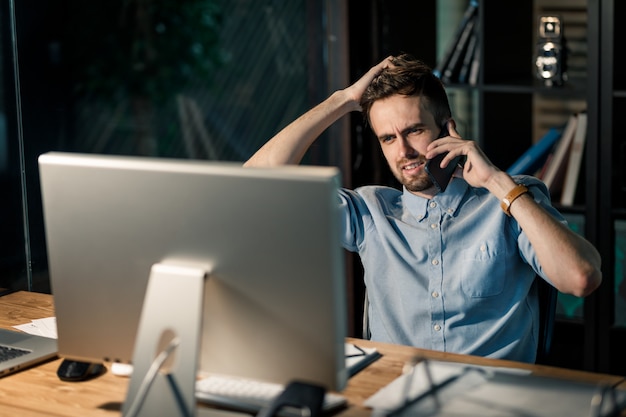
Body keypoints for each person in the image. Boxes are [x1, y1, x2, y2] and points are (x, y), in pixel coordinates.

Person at [244, 53, 602, 363]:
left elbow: (581, 277)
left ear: (448, 128)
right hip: (395, 396)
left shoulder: (510, 202)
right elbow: (255, 185)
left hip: (491, 401)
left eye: (414, 130)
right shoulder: (369, 213)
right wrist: (344, 99)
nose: (403, 151)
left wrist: (496, 181)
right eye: (388, 138)